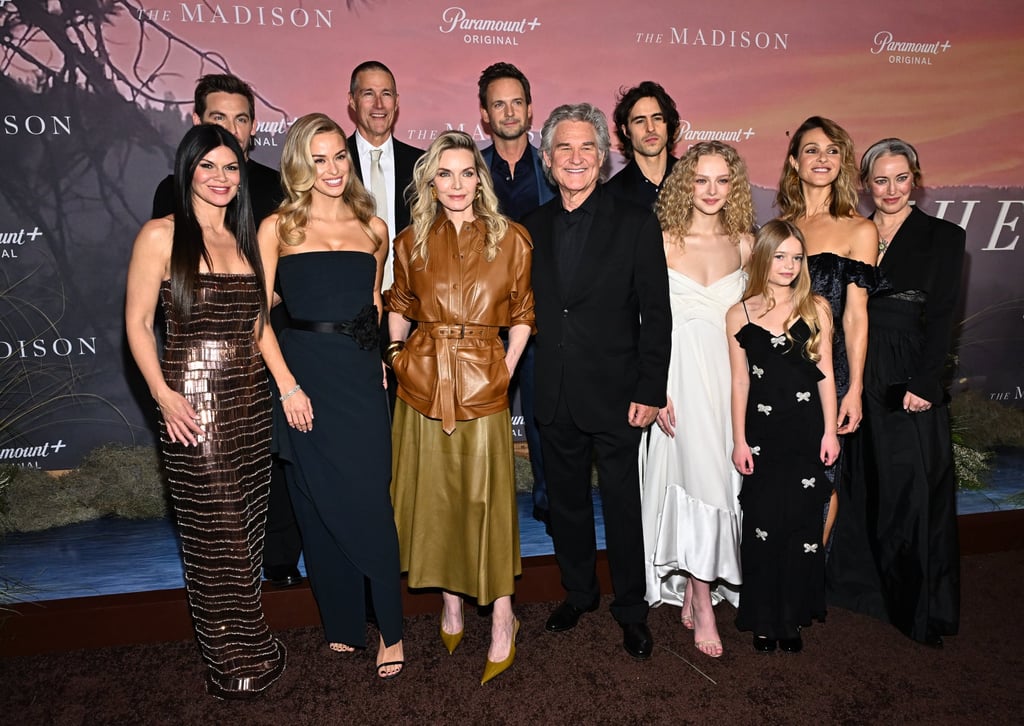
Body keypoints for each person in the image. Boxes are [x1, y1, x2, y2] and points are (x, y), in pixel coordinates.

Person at [125, 124, 286, 698]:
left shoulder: (244, 239)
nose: (221, 178)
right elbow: (139, 324)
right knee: (212, 535)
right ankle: (232, 662)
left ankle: (253, 642)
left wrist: (286, 386)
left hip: (250, 402)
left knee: (245, 532)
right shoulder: (160, 235)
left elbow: (258, 326)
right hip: (192, 405)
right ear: (187, 170)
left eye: (232, 168)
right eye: (209, 167)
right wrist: (164, 396)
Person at [254, 113, 405, 678]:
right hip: (303, 377)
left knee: (369, 498)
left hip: (360, 380)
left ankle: (391, 628)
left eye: (339, 155)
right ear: (299, 163)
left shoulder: (374, 227)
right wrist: (287, 385)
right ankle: (342, 624)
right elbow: (258, 318)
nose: (333, 168)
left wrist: (383, 362)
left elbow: (375, 303)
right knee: (314, 501)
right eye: (318, 159)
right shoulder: (278, 228)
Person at [523, 103, 672, 661]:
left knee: (622, 505)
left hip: (618, 394)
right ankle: (579, 593)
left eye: (588, 147)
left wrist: (649, 389)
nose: (577, 158)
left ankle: (631, 610)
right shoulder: (530, 228)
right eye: (565, 147)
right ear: (548, 159)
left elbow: (656, 314)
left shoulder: (635, 219)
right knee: (565, 504)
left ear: (604, 158)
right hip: (555, 390)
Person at [386, 130, 535, 685]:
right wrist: (398, 354)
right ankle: (450, 603)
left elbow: (522, 310)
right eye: (444, 173)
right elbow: (399, 302)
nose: (456, 183)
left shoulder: (511, 238)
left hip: (484, 381)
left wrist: (506, 366)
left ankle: (502, 617)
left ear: (480, 178)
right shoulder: (410, 241)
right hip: (423, 380)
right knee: (436, 497)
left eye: (466, 172)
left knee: (487, 500)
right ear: (430, 180)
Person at [151, 72, 302, 590]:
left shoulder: (268, 192)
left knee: (264, 487)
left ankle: (274, 573)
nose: (231, 130)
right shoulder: (167, 207)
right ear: (197, 123)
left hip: (260, 361)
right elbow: (157, 300)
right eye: (219, 119)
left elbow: (283, 277)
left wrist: (257, 303)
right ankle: (230, 635)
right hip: (194, 381)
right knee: (210, 519)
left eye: (241, 120)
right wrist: (165, 391)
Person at [827, 139, 964, 647]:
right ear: (866, 183)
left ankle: (919, 607)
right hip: (855, 372)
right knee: (860, 484)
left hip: (906, 376)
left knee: (911, 492)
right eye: (880, 180)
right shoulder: (854, 232)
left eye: (900, 178)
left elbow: (944, 315)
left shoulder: (943, 237)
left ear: (916, 178)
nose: (890, 190)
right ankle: (862, 592)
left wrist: (928, 383)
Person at [640, 141, 754, 658]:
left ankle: (695, 582)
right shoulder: (661, 241)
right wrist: (654, 386)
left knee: (724, 483)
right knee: (697, 483)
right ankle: (705, 600)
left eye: (722, 181)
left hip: (729, 380)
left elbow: (756, 323)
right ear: (686, 183)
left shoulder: (747, 245)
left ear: (734, 187)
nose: (711, 191)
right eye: (701, 180)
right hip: (678, 380)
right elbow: (643, 320)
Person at [726, 219, 840, 654]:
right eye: (780, 256)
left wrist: (830, 431)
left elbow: (826, 375)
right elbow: (740, 383)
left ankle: (791, 617)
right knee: (760, 524)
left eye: (796, 257)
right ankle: (762, 617)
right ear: (762, 257)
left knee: (801, 524)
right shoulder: (740, 312)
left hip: (807, 431)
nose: (789, 265)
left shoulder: (817, 309)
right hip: (761, 435)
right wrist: (739, 439)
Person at [775, 117, 877, 545]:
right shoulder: (782, 226)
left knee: (821, 472)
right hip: (779, 367)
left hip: (827, 371)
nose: (823, 158)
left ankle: (808, 571)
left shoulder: (859, 229)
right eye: (812, 150)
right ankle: (781, 569)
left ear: (843, 162)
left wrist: (854, 388)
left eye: (832, 150)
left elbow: (856, 316)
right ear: (795, 162)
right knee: (781, 470)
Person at [478, 61, 557, 529]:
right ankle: (486, 506)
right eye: (498, 104)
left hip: (544, 314)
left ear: (530, 111)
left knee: (544, 414)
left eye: (516, 102)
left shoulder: (552, 169)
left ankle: (548, 501)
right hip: (485, 318)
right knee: (485, 412)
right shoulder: (474, 172)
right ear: (485, 115)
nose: (508, 112)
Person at [347, 60, 424, 291]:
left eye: (386, 94)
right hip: (349, 302)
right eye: (368, 93)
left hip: (410, 304)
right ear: (352, 100)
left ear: (397, 101)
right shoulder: (334, 164)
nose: (379, 104)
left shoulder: (421, 165)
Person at [605, 81, 681, 209]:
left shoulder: (693, 179)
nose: (650, 128)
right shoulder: (612, 194)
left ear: (668, 124)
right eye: (640, 121)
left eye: (657, 118)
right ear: (626, 131)